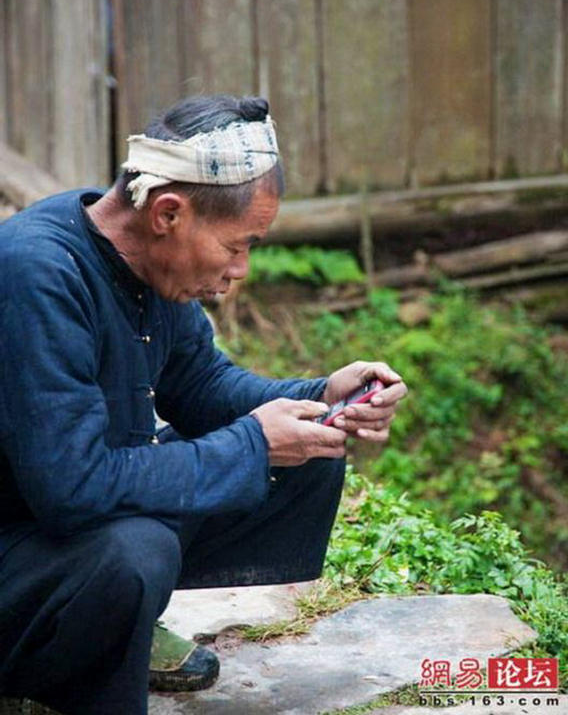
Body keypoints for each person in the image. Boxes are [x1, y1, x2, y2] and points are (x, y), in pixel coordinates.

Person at [0, 95, 407, 715]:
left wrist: (320, 397)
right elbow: (71, 486)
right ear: (168, 212)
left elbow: (206, 389)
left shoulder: (145, 257)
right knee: (136, 552)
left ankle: (117, 627)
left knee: (302, 453)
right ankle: (82, 649)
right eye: (236, 245)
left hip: (61, 516)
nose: (240, 270)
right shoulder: (38, 273)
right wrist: (252, 443)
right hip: (21, 534)